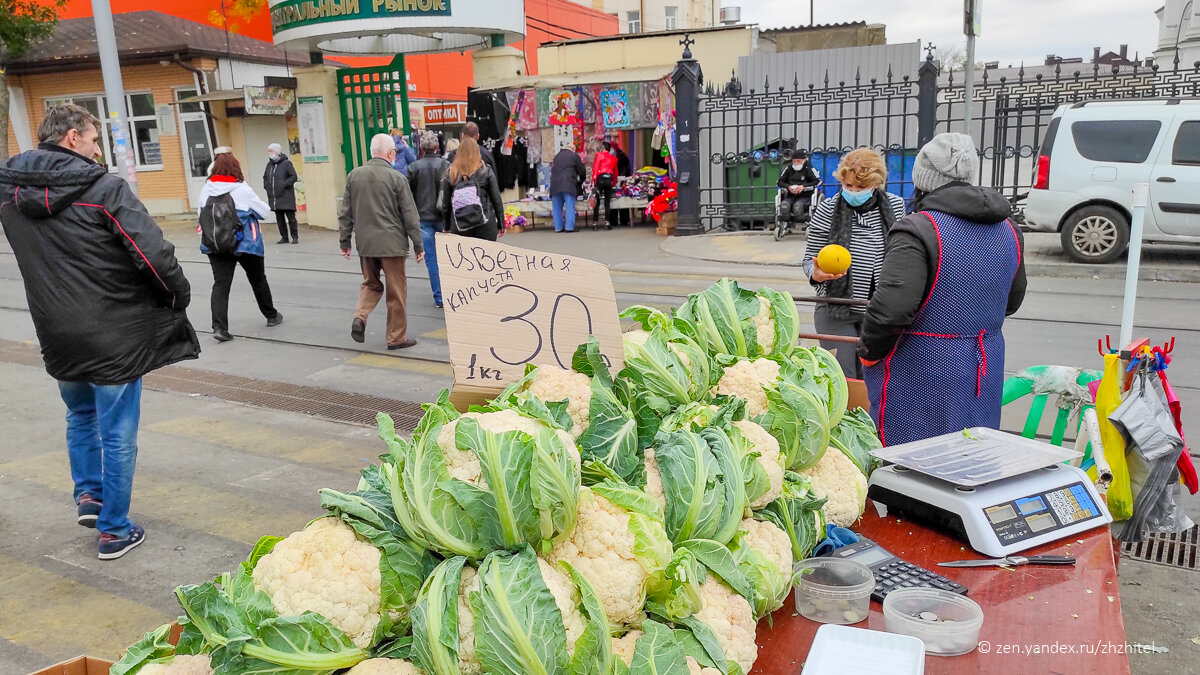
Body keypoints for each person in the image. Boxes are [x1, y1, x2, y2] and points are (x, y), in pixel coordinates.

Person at [0, 103, 200, 560]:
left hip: (55, 329)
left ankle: (89, 496)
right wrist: (177, 297)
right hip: (114, 331)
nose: (97, 150)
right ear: (72, 137)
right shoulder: (104, 188)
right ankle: (114, 529)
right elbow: (153, 255)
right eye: (93, 140)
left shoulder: (10, 193)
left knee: (80, 416)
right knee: (118, 431)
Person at [859, 133, 1027, 446]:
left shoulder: (918, 229)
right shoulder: (1008, 228)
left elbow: (890, 311)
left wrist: (868, 354)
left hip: (921, 370)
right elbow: (1012, 300)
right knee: (971, 457)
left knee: (912, 465)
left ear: (922, 179)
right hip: (983, 366)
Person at [802, 147, 906, 379]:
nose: (853, 192)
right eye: (848, 186)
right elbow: (808, 261)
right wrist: (815, 273)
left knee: (875, 377)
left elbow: (903, 253)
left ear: (876, 185)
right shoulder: (827, 209)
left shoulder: (895, 206)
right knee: (843, 377)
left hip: (879, 310)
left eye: (861, 188)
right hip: (836, 308)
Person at [339, 133, 425, 349]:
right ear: (390, 153)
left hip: (366, 244)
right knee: (396, 292)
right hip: (392, 244)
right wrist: (418, 245)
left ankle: (360, 316)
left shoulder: (354, 176)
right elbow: (409, 215)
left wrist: (345, 242)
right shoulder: (397, 178)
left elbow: (346, 212)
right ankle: (396, 338)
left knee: (370, 284)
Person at [201, 153, 284, 342]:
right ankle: (271, 316)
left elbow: (201, 216)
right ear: (236, 168)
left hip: (216, 244)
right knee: (257, 279)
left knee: (221, 285)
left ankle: (219, 328)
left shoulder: (206, 189)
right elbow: (264, 212)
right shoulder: (241, 189)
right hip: (245, 243)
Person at [407, 131, 451, 308]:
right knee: (448, 258)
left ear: (421, 148)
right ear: (436, 146)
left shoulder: (413, 168)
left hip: (423, 217)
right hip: (443, 217)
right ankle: (451, 293)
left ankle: (439, 297)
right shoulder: (445, 165)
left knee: (431, 259)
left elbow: (407, 195)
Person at [440, 137, 504, 241]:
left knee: (464, 256)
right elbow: (496, 199)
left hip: (459, 226)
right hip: (485, 224)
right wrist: (501, 224)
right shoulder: (485, 171)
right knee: (486, 255)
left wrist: (447, 227)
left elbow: (446, 206)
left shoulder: (451, 173)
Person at [263, 143, 300, 244]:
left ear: (277, 152)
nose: (270, 154)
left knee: (291, 218)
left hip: (286, 196)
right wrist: (267, 186)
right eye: (269, 152)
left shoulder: (286, 163)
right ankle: (284, 237)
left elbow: (293, 176)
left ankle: (294, 236)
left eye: (271, 151)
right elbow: (265, 178)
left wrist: (284, 184)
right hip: (275, 197)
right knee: (280, 219)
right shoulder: (269, 165)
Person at [777, 150, 821, 226]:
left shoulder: (809, 169)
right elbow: (780, 182)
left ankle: (803, 221)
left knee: (798, 207)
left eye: (798, 161)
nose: (796, 163)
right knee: (784, 205)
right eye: (794, 161)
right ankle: (785, 223)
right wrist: (788, 187)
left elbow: (817, 182)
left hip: (806, 196)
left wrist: (803, 187)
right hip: (791, 195)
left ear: (804, 160)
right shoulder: (788, 169)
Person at [549, 143, 586, 233]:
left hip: (554, 185)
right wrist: (581, 180)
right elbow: (581, 170)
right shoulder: (574, 156)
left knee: (556, 207)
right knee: (570, 206)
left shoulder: (557, 156)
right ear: (573, 149)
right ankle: (569, 227)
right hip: (568, 184)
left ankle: (558, 228)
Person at [592, 141, 618, 229]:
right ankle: (607, 223)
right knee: (607, 203)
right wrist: (614, 183)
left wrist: (594, 181)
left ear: (603, 148)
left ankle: (595, 223)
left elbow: (595, 169)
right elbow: (615, 172)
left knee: (597, 202)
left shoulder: (599, 155)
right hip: (609, 179)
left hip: (600, 179)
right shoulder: (613, 158)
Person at [612, 141, 633, 227]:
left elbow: (626, 168)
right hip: (614, 179)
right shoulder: (612, 156)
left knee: (622, 198)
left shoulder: (622, 156)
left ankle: (624, 219)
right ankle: (613, 220)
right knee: (614, 199)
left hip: (621, 179)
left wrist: (621, 177)